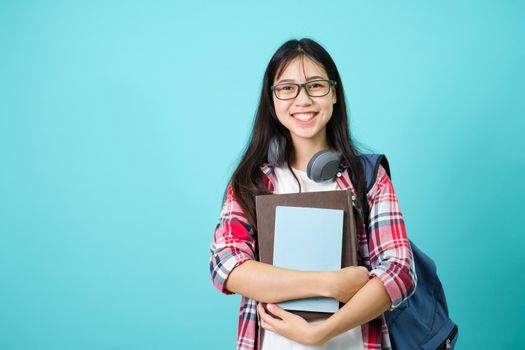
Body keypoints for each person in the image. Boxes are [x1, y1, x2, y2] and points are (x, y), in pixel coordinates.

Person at [209, 38, 416, 350]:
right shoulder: (252, 182)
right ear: (272, 99)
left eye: (316, 85)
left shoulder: (368, 177)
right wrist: (329, 283)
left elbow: (400, 270)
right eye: (287, 87)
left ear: (334, 93)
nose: (302, 99)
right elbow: (226, 265)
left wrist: (321, 332)